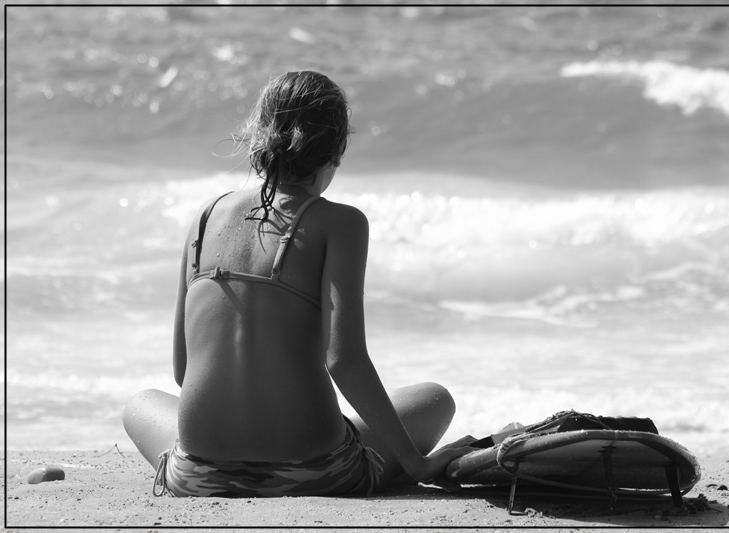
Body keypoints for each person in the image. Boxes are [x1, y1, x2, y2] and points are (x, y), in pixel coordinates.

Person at [123, 70, 471, 497]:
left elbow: (183, 371)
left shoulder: (206, 215)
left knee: (141, 403)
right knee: (434, 399)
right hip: (316, 471)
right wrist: (417, 464)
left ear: (258, 138)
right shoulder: (340, 223)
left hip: (198, 474)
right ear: (336, 150)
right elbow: (344, 360)